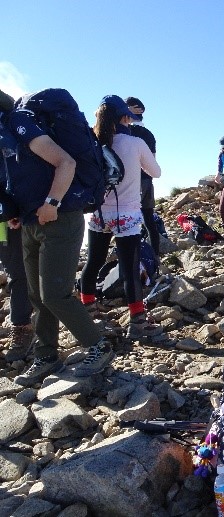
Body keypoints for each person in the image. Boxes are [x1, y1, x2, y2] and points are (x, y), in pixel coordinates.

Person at [7, 91, 114, 385]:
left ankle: (98, 346)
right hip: (31, 220)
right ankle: (46, 356)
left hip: (59, 218)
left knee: (55, 294)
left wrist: (52, 202)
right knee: (37, 295)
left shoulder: (19, 123)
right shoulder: (8, 132)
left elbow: (66, 163)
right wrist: (19, 211)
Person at [79, 95, 163, 342]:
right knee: (129, 266)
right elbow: (156, 172)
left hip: (98, 213)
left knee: (93, 261)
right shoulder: (135, 143)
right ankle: (137, 322)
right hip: (127, 214)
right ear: (125, 117)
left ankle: (88, 310)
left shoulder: (93, 142)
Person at [0, 90, 34, 362]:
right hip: (8, 217)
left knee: (16, 270)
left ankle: (22, 327)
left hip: (7, 217)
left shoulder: (7, 134)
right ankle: (22, 326)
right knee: (15, 270)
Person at [125, 97, 160, 259]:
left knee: (129, 223)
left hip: (130, 183)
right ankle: (154, 259)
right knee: (148, 220)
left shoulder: (126, 132)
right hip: (146, 180)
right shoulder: (148, 134)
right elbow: (152, 161)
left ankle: (133, 261)